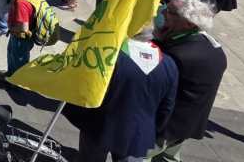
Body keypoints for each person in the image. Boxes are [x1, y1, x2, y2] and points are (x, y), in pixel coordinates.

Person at [65, 27, 178, 162]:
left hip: (100, 126)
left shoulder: (109, 56)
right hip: (139, 133)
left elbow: (89, 90)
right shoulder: (169, 65)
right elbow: (167, 107)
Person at [150, 0, 228, 161]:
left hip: (164, 126)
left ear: (187, 23)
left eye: (169, 12)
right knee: (169, 157)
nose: (162, 13)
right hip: (188, 124)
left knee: (138, 157)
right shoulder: (212, 47)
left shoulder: (178, 55)